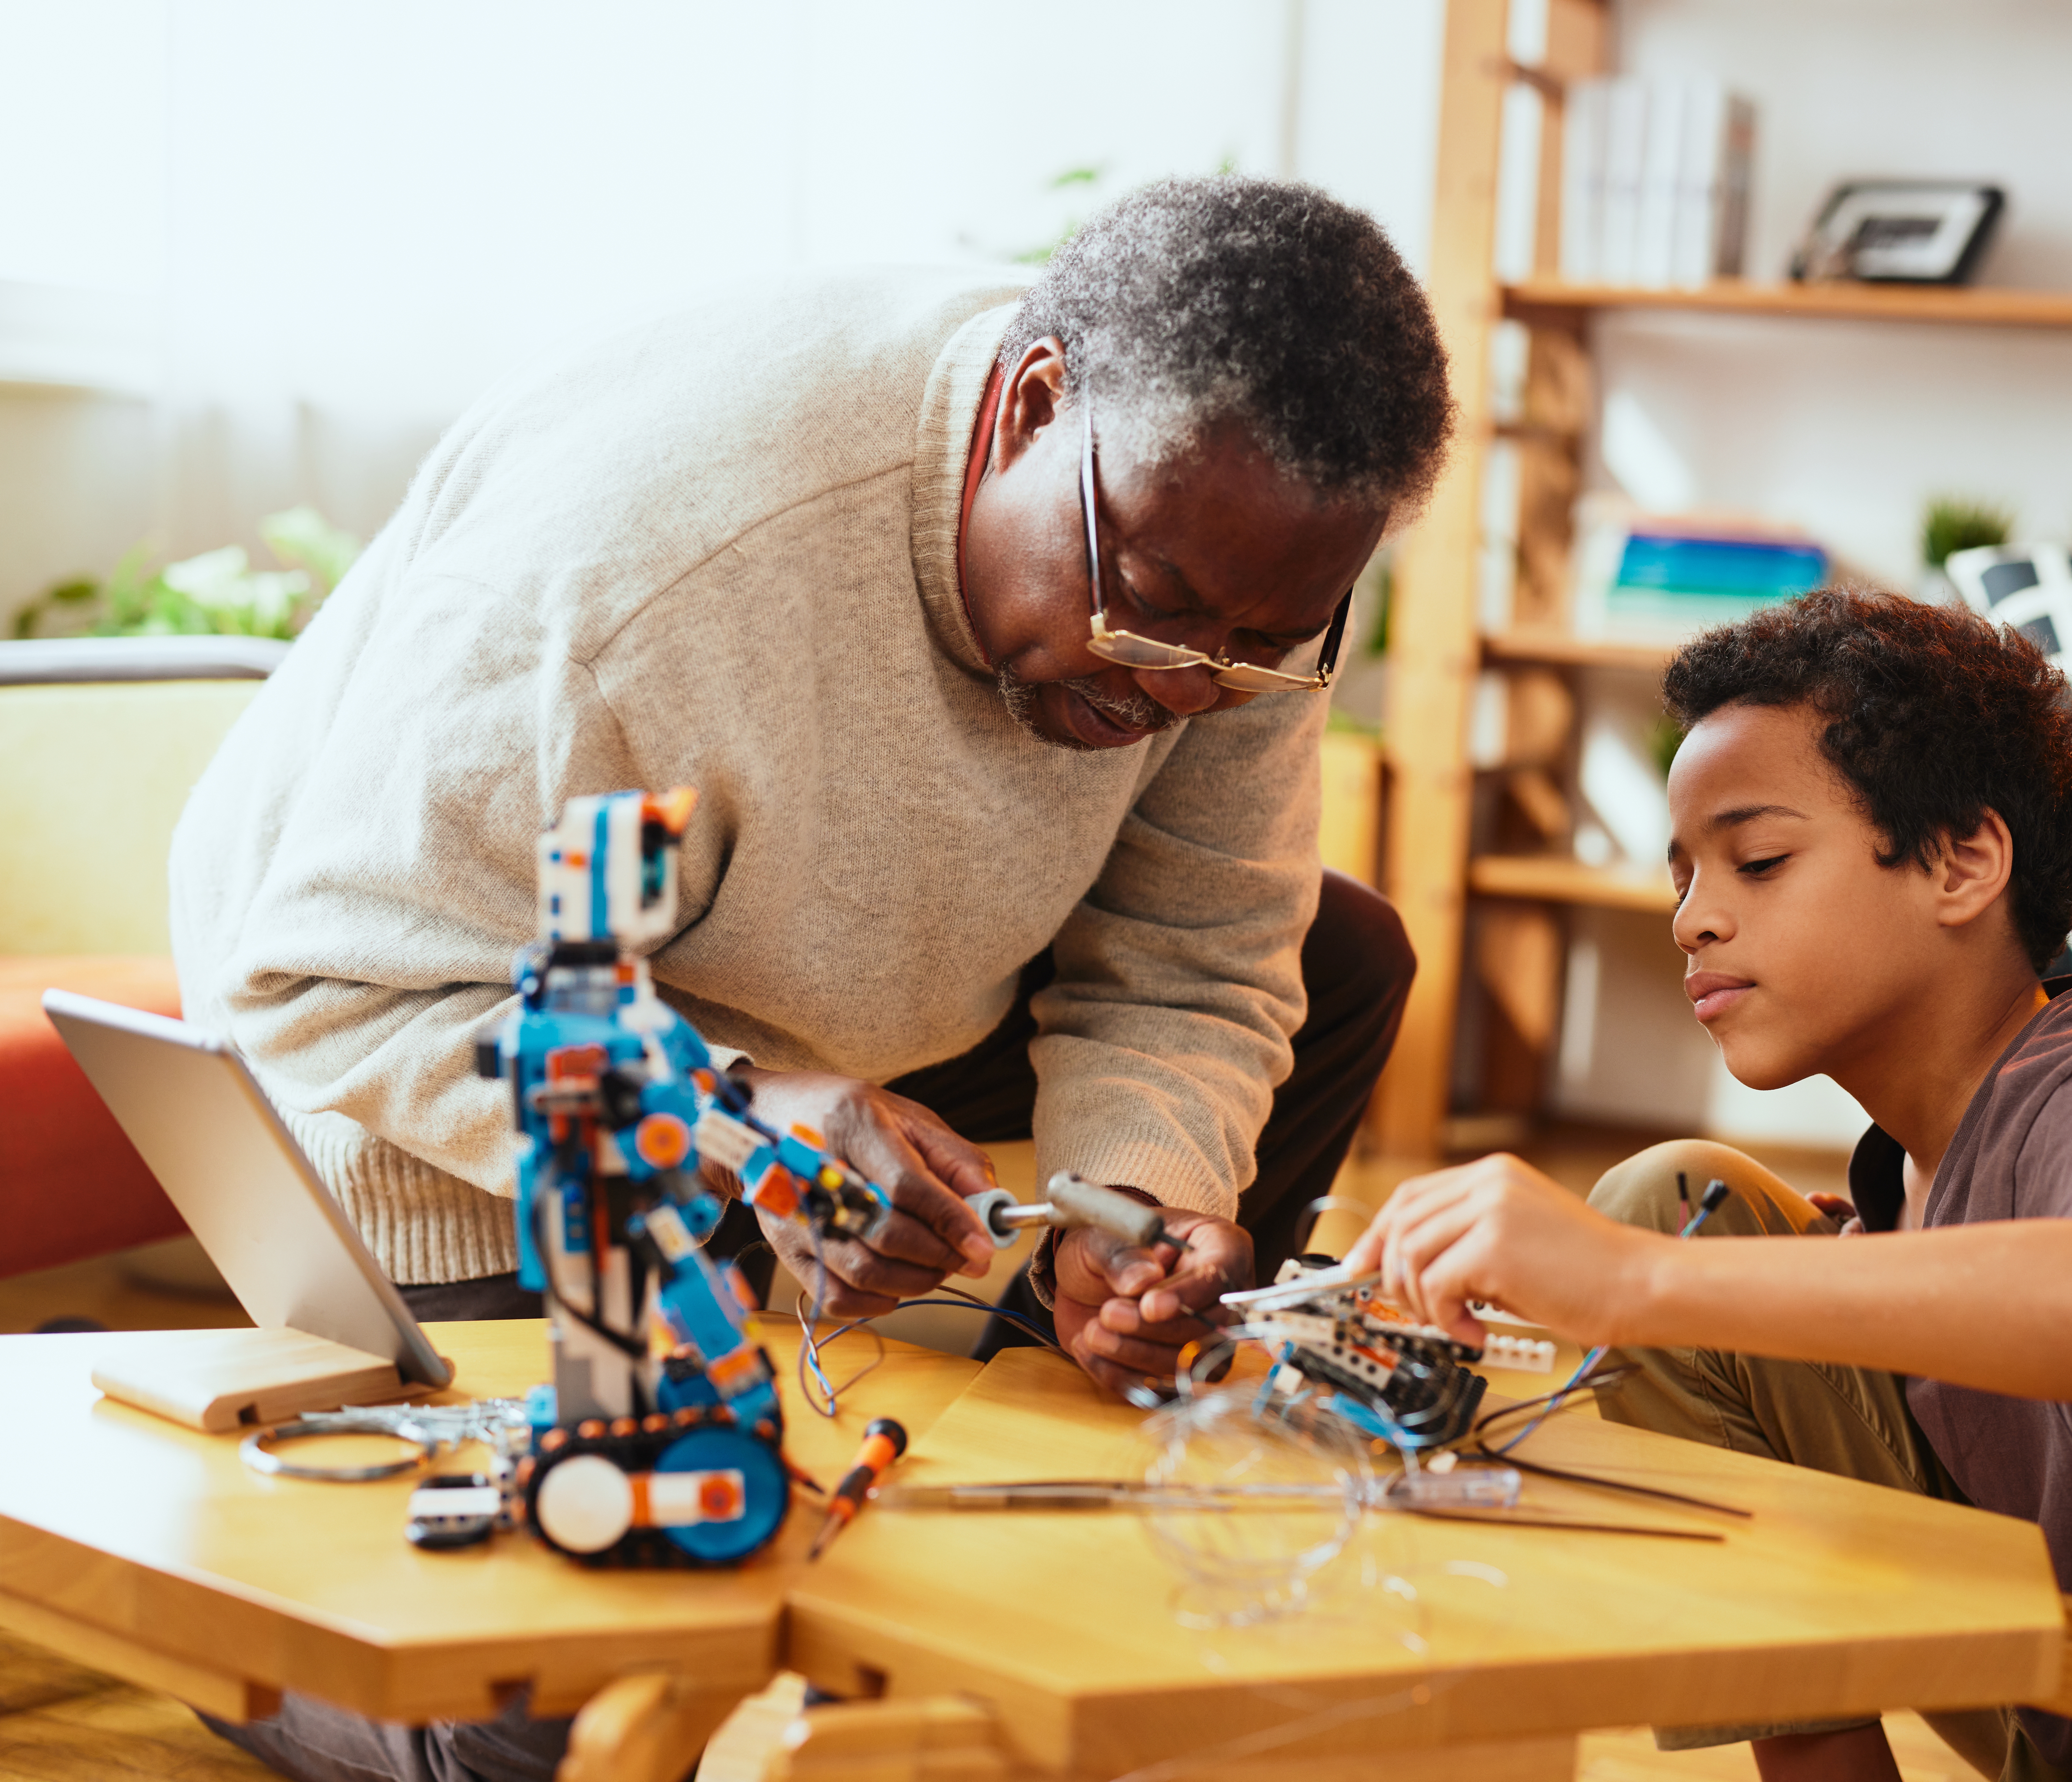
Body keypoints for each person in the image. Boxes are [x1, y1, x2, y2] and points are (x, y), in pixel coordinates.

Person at [172, 178, 1447, 1781]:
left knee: (1340, 955)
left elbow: (1198, 952)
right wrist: (738, 1123)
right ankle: (220, 1618)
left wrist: (1139, 1202)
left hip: (820, 1003)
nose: (1190, 688)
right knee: (570, 1715)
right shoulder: (643, 576)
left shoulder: (1233, 565)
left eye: (1261, 645)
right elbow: (338, 984)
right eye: (1159, 612)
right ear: (1033, 406)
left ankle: (1037, 1451)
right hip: (424, 1055)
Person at [1346, 590, 2072, 1782]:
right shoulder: (1913, 1167)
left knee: (1665, 1244)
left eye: (1758, 861)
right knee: (1679, 1204)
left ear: (1963, 862)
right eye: (1683, 877)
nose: (1693, 921)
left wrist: (1630, 1282)